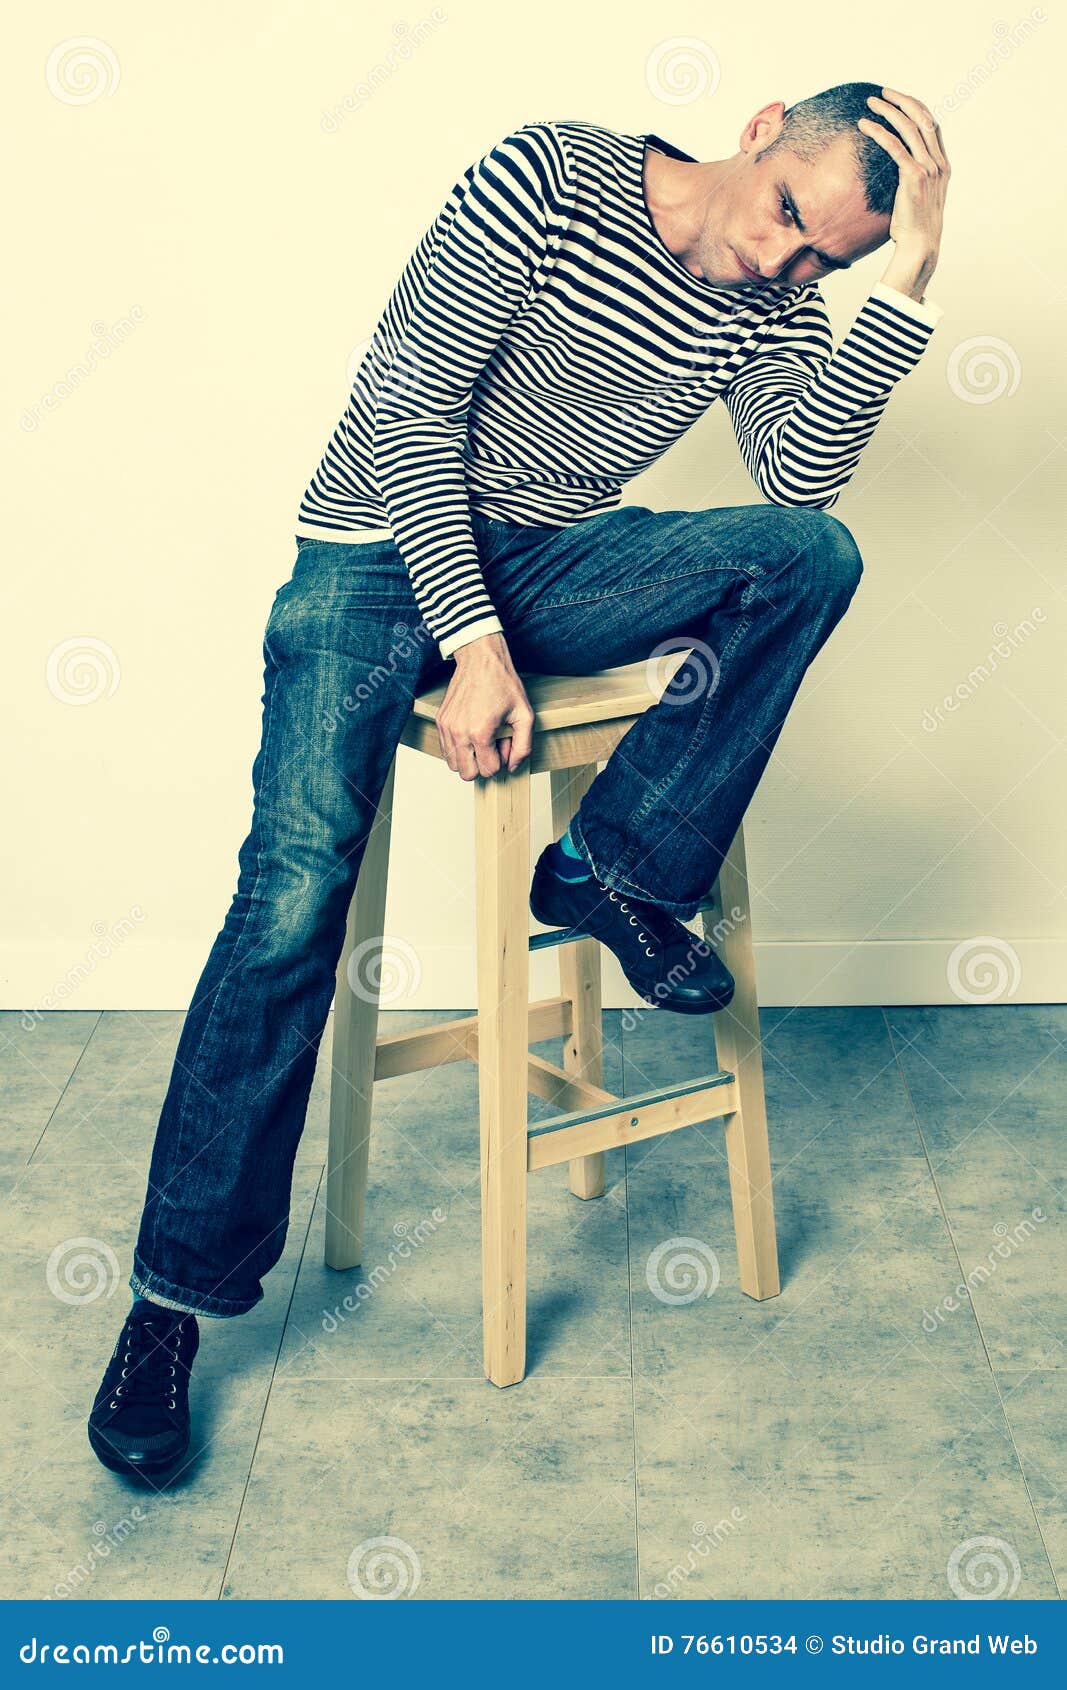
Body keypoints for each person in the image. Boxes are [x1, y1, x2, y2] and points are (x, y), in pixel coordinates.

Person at [88, 82, 950, 1480]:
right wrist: (474, 643)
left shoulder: (782, 302)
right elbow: (410, 413)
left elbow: (799, 482)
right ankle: (169, 1302)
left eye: (820, 259)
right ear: (760, 127)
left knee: (811, 559)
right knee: (294, 893)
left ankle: (612, 865)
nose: (779, 260)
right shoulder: (548, 176)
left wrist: (901, 282)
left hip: (550, 559)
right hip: (374, 552)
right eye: (788, 214)